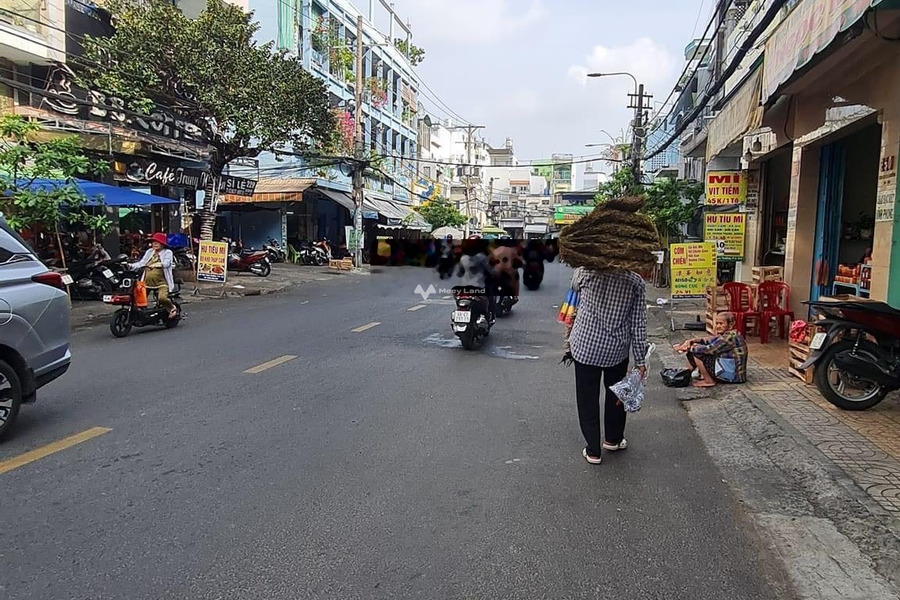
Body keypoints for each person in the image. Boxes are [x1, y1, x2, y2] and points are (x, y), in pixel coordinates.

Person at [563, 267, 648, 465]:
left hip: (585, 346)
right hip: (616, 350)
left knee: (587, 400)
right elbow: (638, 323)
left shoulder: (585, 273)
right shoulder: (635, 281)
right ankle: (613, 439)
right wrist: (640, 361)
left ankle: (593, 451)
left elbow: (573, 285)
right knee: (616, 395)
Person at [674, 312, 748, 388]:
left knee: (697, 353)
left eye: (721, 324)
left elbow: (709, 349)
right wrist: (692, 340)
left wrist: (688, 348)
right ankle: (685, 375)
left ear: (731, 324)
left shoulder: (730, 337)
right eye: (717, 323)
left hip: (732, 376)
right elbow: (709, 340)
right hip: (730, 370)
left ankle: (708, 381)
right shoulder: (728, 334)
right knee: (694, 349)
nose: (718, 326)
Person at [130, 232, 177, 319]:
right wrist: (130, 266)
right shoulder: (149, 252)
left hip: (162, 283)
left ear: (162, 244)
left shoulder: (167, 252)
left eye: (157, 242)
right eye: (153, 242)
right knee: (138, 299)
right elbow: (142, 263)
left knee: (162, 298)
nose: (154, 244)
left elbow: (166, 263)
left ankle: (171, 308)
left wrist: (157, 264)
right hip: (146, 282)